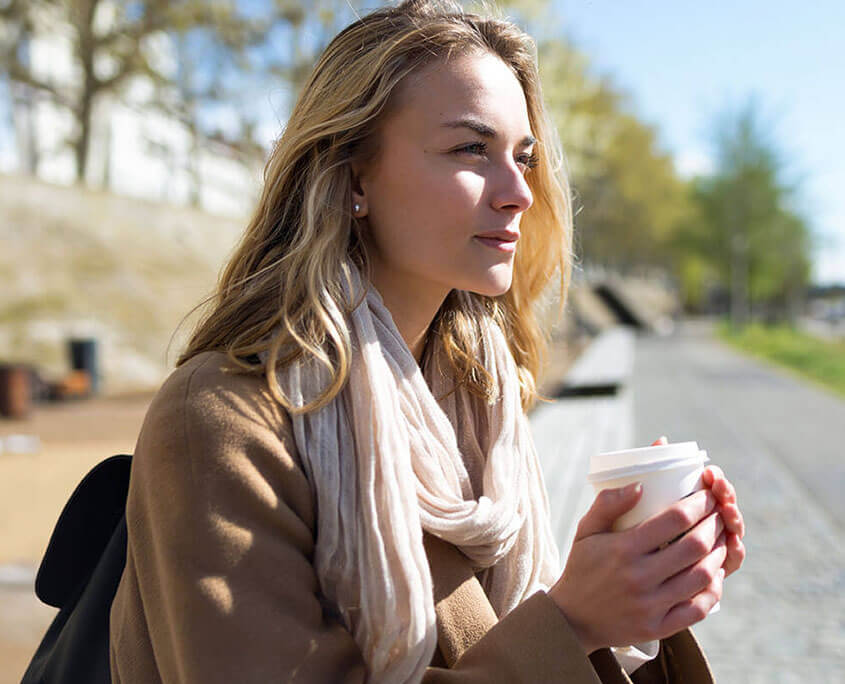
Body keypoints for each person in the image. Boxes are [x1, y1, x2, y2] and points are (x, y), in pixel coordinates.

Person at [109, 1, 746, 682]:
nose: (517, 193)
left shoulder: (475, 405)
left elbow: (490, 651)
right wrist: (571, 620)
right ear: (354, 175)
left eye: (522, 157)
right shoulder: (222, 423)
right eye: (471, 148)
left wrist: (641, 605)